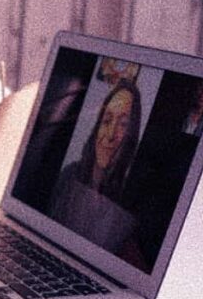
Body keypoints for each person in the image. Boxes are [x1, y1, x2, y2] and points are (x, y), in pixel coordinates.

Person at [49, 80, 141, 253]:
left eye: (123, 124)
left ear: (132, 135)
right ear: (98, 126)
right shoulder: (69, 175)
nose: (110, 134)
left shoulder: (128, 205)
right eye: (106, 120)